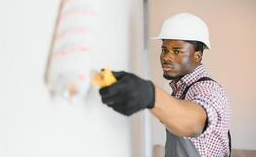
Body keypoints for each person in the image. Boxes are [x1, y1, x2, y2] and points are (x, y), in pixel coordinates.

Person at [99, 13, 231, 157]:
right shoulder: (180, 88)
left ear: (197, 55)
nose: (166, 57)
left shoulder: (208, 90)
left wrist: (150, 95)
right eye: (164, 50)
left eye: (177, 51)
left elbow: (194, 123)